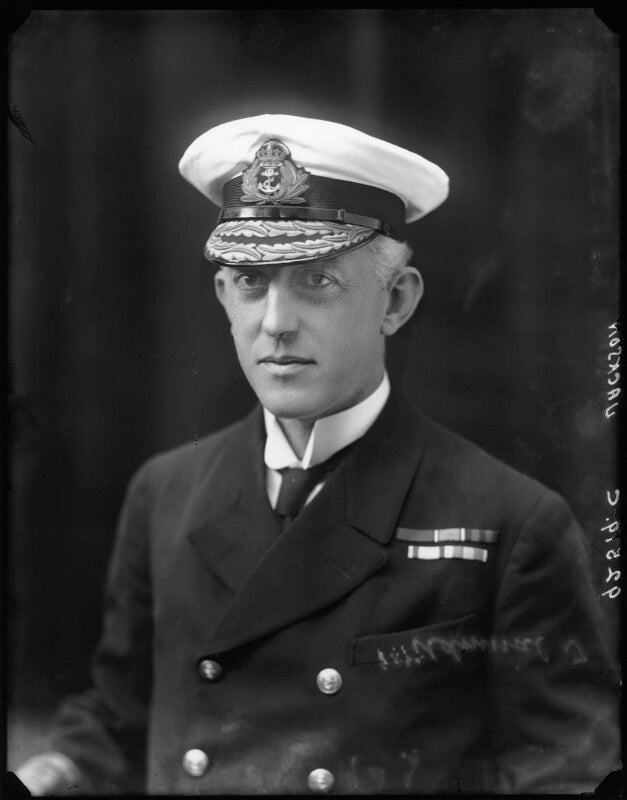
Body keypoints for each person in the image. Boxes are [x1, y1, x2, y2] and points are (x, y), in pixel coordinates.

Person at [15, 114, 620, 795]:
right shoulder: (165, 493)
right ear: (223, 297)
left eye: (317, 281)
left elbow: (563, 774)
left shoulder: (512, 523)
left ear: (395, 300)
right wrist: (47, 774)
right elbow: (121, 718)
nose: (275, 323)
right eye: (252, 282)